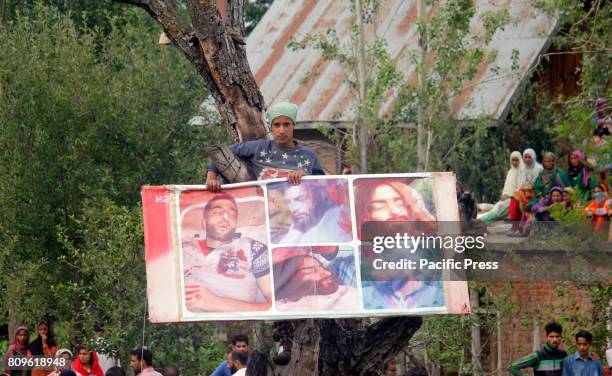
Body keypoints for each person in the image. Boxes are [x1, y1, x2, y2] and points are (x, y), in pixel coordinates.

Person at [205, 101, 325, 190]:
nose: (282, 130)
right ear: (270, 127)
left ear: (293, 125)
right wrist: (211, 178)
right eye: (277, 125)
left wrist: (306, 178)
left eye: (286, 124)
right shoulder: (258, 148)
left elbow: (325, 187)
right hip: (264, 216)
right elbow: (217, 153)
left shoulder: (309, 156)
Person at [182, 194, 272, 312]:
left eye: (232, 215)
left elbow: (275, 306)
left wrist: (217, 303)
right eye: (217, 213)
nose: (225, 217)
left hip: (239, 326)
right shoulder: (183, 249)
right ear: (204, 223)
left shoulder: (254, 249)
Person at [272, 253, 359, 311]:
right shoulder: (278, 308)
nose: (327, 273)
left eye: (321, 267)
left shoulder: (347, 293)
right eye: (311, 270)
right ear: (288, 278)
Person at [273, 181, 352, 244]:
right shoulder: (293, 226)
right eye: (288, 202)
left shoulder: (337, 217)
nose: (294, 208)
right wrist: (296, 230)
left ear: (314, 198)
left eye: (301, 199)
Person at [479, 151, 523, 223]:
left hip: (515, 198)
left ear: (520, 160)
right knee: (497, 208)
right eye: (513, 160)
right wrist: (504, 195)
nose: (514, 162)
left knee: (499, 210)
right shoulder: (510, 172)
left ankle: (480, 221)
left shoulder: (521, 171)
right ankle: (480, 221)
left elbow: (520, 188)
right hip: (506, 198)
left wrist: (509, 196)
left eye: (516, 160)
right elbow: (506, 186)